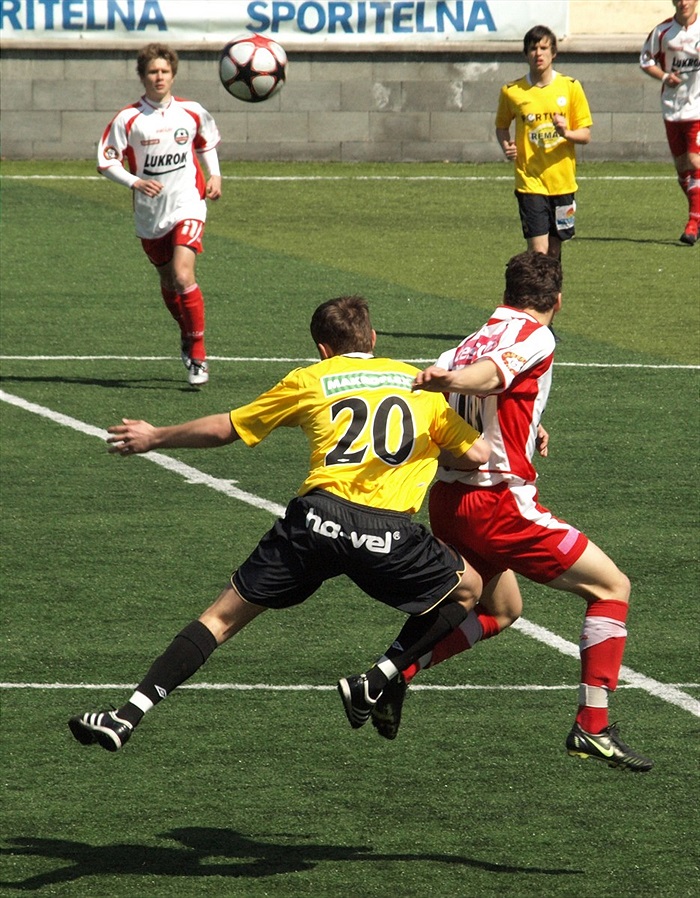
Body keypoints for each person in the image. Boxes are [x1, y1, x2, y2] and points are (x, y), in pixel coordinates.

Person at [68, 295, 491, 752]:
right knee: (468, 589)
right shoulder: (416, 381)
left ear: (323, 349)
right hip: (387, 532)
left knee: (219, 619)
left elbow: (227, 427)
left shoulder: (310, 379)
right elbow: (476, 456)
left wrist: (156, 436)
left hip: (317, 521)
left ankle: (126, 715)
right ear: (372, 338)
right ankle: (378, 677)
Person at [369, 253, 653, 773]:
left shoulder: (467, 341)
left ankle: (398, 672)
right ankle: (592, 727)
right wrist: (450, 382)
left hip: (450, 502)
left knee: (502, 610)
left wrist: (527, 425)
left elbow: (487, 394)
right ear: (558, 300)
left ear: (505, 291)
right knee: (612, 588)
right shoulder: (536, 337)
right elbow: (489, 377)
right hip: (498, 503)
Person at [97, 42, 222, 386]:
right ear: (143, 75)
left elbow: (206, 141)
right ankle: (186, 332)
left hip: (188, 203)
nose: (159, 77)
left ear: (173, 74)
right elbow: (106, 161)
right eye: (153, 71)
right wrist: (135, 182)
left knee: (183, 275)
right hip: (151, 215)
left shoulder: (192, 111)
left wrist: (215, 174)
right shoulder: (129, 119)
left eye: (164, 71)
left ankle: (198, 354)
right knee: (168, 281)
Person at [495, 25, 593, 260]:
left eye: (543, 48)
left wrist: (566, 132)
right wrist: (507, 145)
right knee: (538, 252)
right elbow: (501, 127)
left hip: (563, 183)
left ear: (554, 52)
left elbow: (585, 135)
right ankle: (536, 297)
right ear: (525, 54)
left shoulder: (570, 87)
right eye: (532, 48)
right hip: (530, 182)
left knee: (555, 251)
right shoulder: (512, 91)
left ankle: (554, 297)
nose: (538, 53)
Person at [640, 0, 700, 245]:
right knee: (682, 170)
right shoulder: (663, 32)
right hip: (672, 108)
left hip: (698, 107)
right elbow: (646, 60)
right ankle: (698, 212)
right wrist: (665, 76)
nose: (683, 2)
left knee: (695, 161)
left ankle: (692, 222)